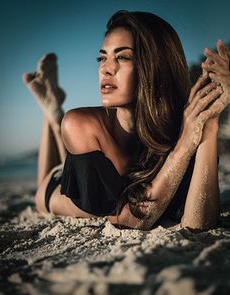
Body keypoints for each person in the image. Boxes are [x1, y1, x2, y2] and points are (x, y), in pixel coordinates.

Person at [23, 10, 230, 231]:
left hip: (96, 163)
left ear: (155, 67)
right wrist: (185, 143)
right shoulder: (81, 123)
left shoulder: (183, 121)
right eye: (102, 57)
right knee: (47, 184)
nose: (105, 68)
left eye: (122, 57)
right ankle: (52, 113)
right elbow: (129, 219)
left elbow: (199, 224)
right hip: (57, 187)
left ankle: (52, 104)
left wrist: (208, 123)